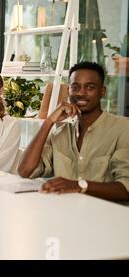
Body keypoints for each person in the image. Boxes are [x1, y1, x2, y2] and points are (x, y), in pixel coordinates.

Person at [18, 62, 129, 202]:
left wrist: (79, 186)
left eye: (90, 87)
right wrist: (48, 122)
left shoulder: (123, 128)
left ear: (102, 91)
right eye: (75, 87)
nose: (81, 93)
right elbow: (25, 171)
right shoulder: (60, 134)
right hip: (66, 214)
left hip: (108, 218)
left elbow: (126, 188)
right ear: (68, 90)